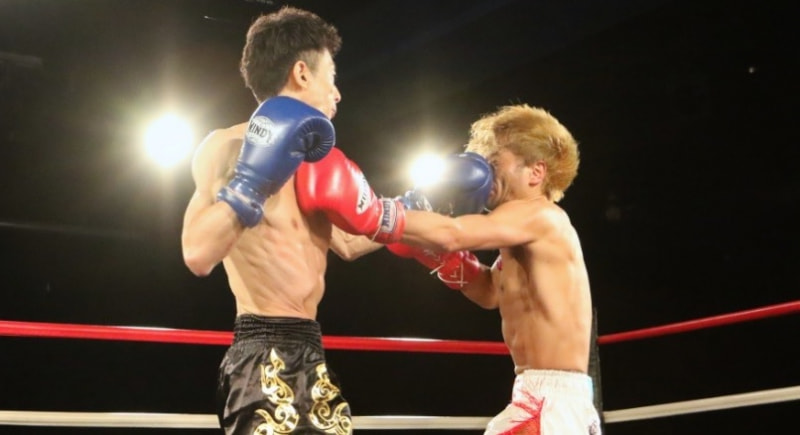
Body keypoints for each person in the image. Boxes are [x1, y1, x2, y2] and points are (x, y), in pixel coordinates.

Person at [180, 6, 412, 434]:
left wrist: (413, 208)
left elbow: (349, 244)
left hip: (311, 348)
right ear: (302, 73)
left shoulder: (321, 163)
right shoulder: (226, 146)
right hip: (260, 350)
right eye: (332, 77)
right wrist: (252, 183)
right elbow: (197, 253)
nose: (337, 93)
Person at [388, 104, 602, 434]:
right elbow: (490, 292)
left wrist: (381, 213)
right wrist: (442, 260)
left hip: (550, 401)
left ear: (535, 172)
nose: (484, 175)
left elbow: (452, 234)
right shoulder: (520, 233)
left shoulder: (541, 216)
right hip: (542, 397)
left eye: (494, 163)